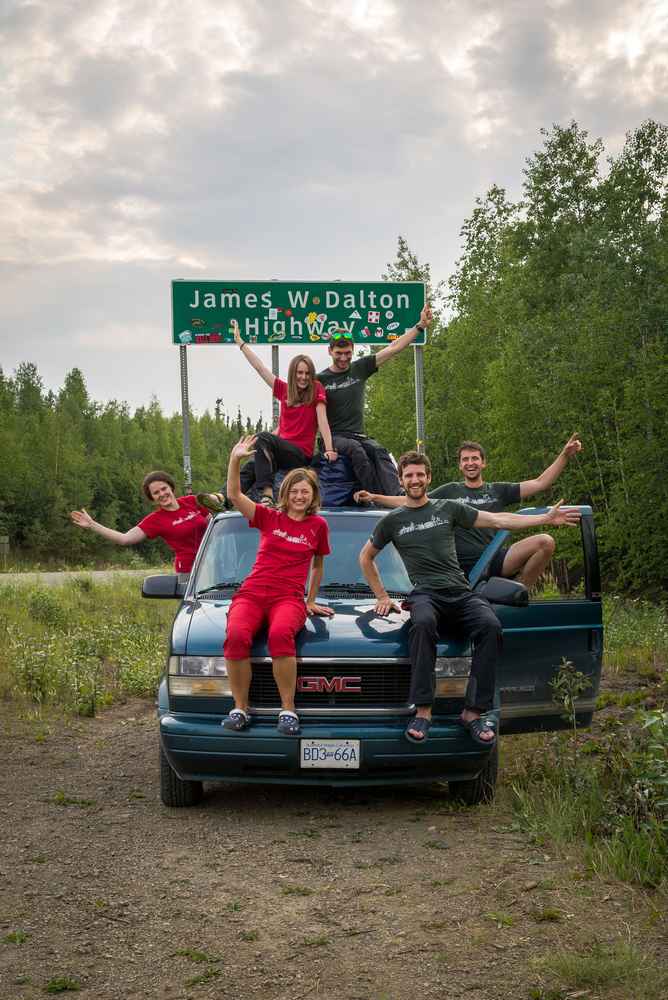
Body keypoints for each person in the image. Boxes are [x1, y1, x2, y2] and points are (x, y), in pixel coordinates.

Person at [359, 450, 581, 745]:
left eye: (420, 474)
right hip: (426, 593)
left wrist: (544, 518)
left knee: (490, 626)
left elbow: (498, 520)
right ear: (401, 480)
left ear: (429, 478)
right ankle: (423, 711)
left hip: (460, 591)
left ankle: (473, 712)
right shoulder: (393, 521)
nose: (415, 480)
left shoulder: (448, 508)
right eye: (409, 475)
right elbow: (366, 557)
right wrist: (382, 596)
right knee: (422, 624)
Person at [356, 434, 582, 587]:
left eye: (475, 458)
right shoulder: (449, 492)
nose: (470, 462)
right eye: (465, 459)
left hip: (494, 558)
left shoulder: (499, 490)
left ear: (483, 463)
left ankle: (518, 592)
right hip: (457, 566)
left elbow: (540, 483)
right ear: (460, 465)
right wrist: (376, 497)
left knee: (545, 542)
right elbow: (411, 500)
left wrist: (564, 455)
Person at [223, 435, 334, 736]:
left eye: (305, 491)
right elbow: (234, 495)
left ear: (313, 496)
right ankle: (240, 708)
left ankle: (288, 710)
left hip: (288, 597)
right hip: (252, 593)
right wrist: (235, 460)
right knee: (236, 635)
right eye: (294, 491)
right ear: (286, 493)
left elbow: (318, 565)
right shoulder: (268, 517)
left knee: (280, 634)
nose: (299, 496)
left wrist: (310, 601)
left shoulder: (318, 526)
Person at [316, 303, 433, 494]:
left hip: (358, 435)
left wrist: (420, 326)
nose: (343, 358)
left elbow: (393, 348)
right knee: (356, 450)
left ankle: (396, 495)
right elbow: (296, 401)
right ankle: (374, 496)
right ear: (330, 351)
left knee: (379, 451)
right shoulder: (320, 379)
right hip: (334, 437)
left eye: (347, 353)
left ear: (353, 350)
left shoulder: (359, 368)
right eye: (338, 354)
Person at [233, 321, 337, 505]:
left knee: (262, 437)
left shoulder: (316, 388)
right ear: (293, 373)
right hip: (281, 451)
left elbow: (322, 420)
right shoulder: (284, 390)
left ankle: (267, 494)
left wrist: (329, 449)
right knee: (252, 465)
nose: (303, 377)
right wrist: (241, 343)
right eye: (299, 373)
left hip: (300, 454)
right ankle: (221, 497)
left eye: (307, 373)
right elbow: (260, 368)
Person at [70, 471, 211, 574]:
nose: (162, 494)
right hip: (189, 570)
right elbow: (124, 539)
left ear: (171, 487)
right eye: (156, 493)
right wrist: (92, 524)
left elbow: (214, 517)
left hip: (215, 562)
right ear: (152, 498)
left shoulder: (192, 501)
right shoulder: (155, 520)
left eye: (164, 488)